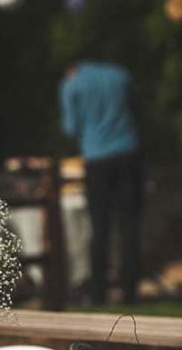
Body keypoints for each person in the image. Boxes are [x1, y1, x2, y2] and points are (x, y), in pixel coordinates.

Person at [59, 57, 141, 305]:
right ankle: (129, 290)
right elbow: (134, 110)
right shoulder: (121, 74)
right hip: (129, 151)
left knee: (100, 225)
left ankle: (98, 292)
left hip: (97, 157)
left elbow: (71, 128)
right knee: (128, 225)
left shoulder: (72, 84)